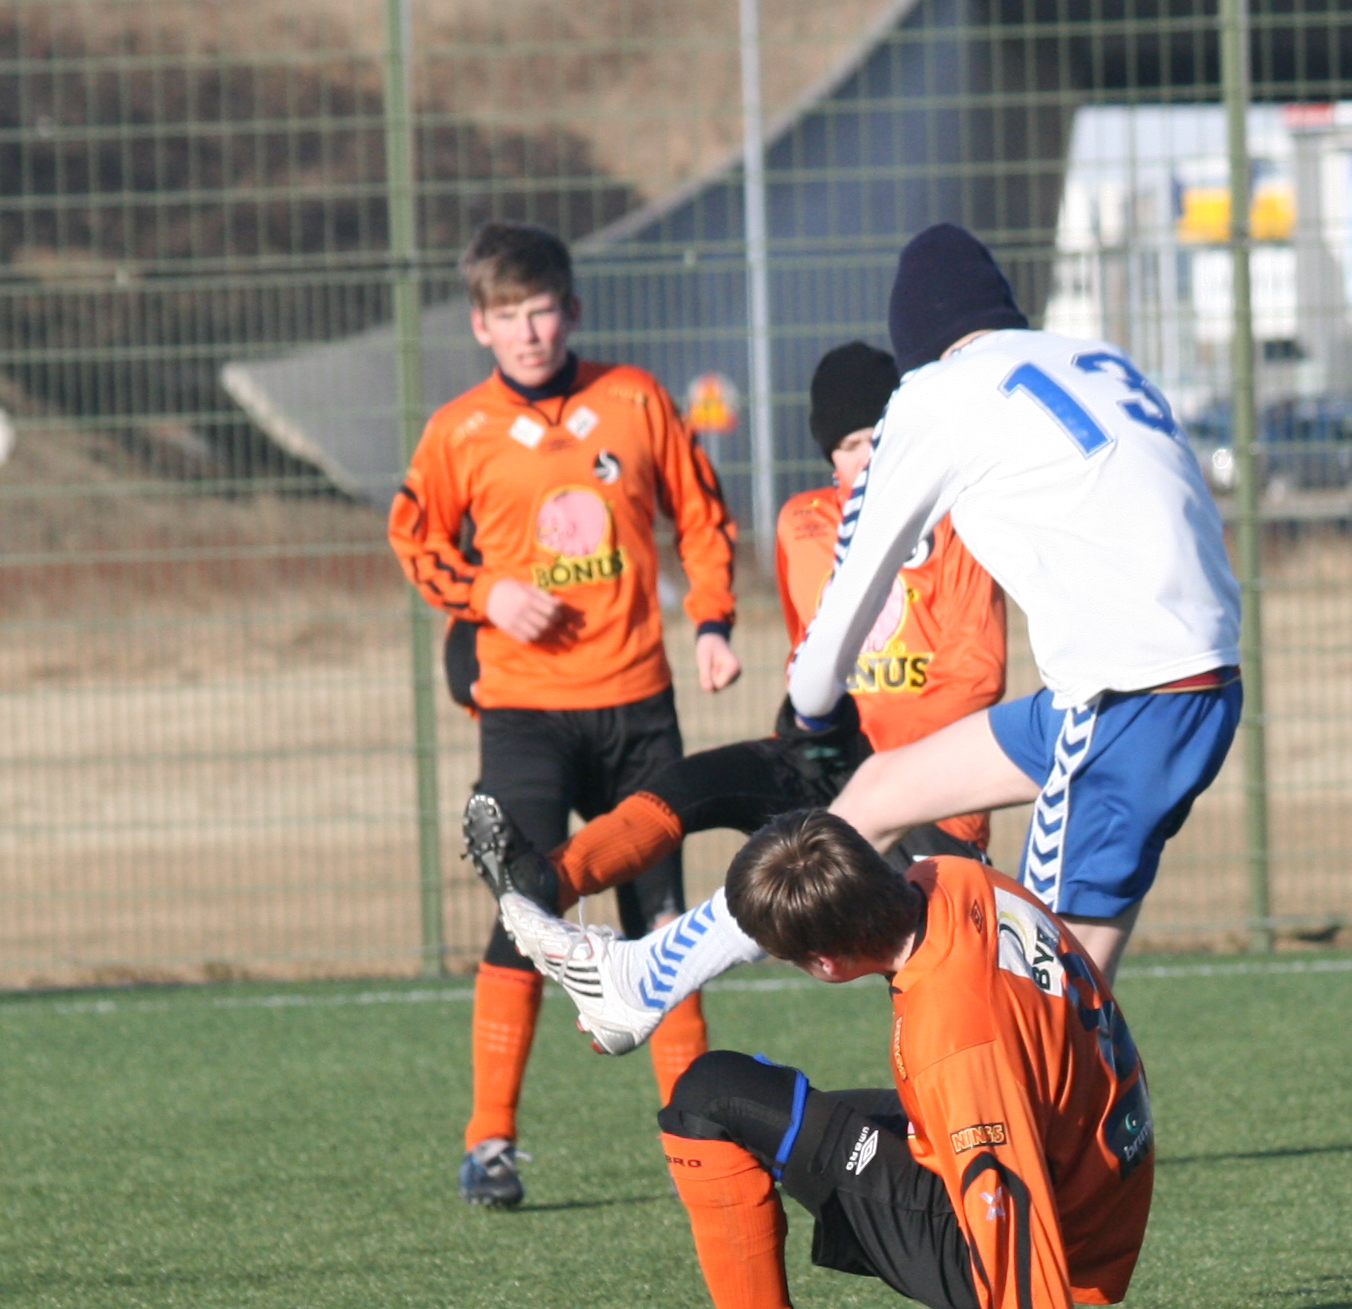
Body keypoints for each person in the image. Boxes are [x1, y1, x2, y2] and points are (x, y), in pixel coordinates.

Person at [500, 222, 1240, 1051]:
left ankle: (1025, 1137)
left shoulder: (935, 393)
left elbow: (848, 597)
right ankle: (644, 980)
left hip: (1122, 699)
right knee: (882, 798)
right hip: (1172, 685)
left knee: (1038, 1017)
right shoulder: (1094, 358)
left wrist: (812, 711)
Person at [459, 337, 1011, 1309]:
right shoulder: (805, 524)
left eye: (880, 441)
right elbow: (817, 655)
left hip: (933, 790)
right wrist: (811, 730)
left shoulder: (958, 524)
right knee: (705, 786)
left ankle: (980, 1291)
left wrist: (873, 769)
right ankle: (547, 883)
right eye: (847, 446)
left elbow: (972, 679)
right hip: (847, 767)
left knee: (940, 1045)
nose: (864, 460)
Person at [605, 810, 1152, 1309]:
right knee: (775, 1112)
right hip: (1086, 1160)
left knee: (710, 1098)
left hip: (1053, 1220)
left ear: (826, 962)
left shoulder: (954, 1038)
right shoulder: (952, 877)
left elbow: (1010, 1206)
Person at [388, 220, 741, 1209]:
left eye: (542, 311)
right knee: (525, 912)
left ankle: (699, 1137)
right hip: (525, 716)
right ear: (480, 326)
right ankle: (490, 1142)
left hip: (638, 710)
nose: (529, 332)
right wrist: (486, 594)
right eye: (509, 317)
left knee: (664, 926)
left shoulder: (634, 399)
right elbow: (412, 537)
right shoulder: (459, 431)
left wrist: (713, 621)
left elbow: (702, 516)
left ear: (572, 311)